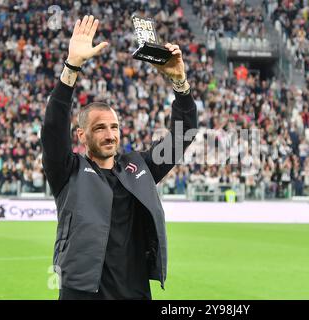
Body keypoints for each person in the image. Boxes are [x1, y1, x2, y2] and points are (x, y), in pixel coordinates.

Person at [41, 15, 197, 300]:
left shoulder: (139, 167)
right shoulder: (68, 171)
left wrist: (180, 83)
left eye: (114, 127)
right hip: (82, 293)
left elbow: (183, 136)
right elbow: (52, 130)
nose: (110, 135)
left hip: (135, 292)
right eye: (99, 128)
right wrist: (71, 68)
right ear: (82, 136)